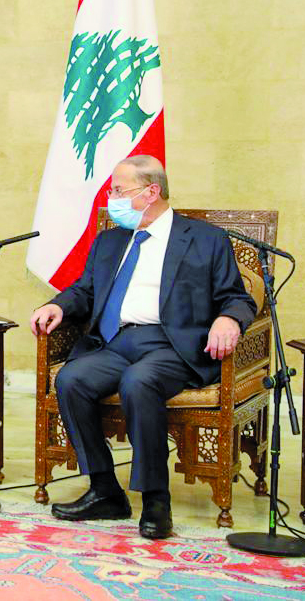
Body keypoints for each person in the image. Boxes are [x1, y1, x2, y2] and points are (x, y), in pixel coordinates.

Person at [29, 155, 256, 539]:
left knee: (139, 381)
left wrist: (228, 319)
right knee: (72, 379)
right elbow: (85, 291)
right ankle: (104, 490)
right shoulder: (110, 241)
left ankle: (156, 499)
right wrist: (57, 305)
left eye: (119, 191)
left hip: (172, 346)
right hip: (116, 342)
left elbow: (237, 297)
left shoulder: (205, 239)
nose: (111, 199)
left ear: (151, 192)